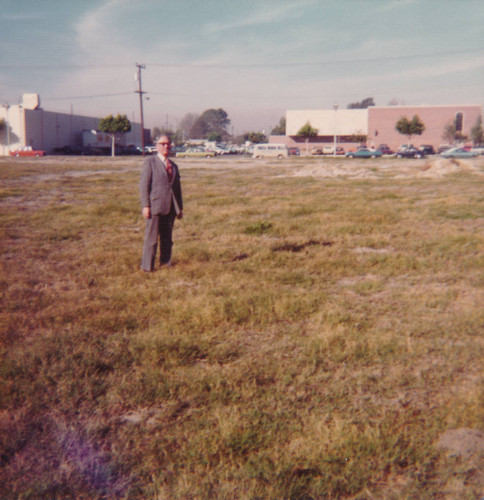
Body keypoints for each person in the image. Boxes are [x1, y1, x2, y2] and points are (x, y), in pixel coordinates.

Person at [139, 135, 183, 272]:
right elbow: (144, 185)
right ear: (156, 146)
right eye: (162, 144)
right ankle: (147, 267)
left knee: (167, 239)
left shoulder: (174, 166)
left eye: (168, 144)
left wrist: (179, 208)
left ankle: (165, 263)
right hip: (155, 207)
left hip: (170, 208)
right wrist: (145, 205)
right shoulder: (150, 161)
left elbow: (177, 189)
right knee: (152, 239)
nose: (166, 146)